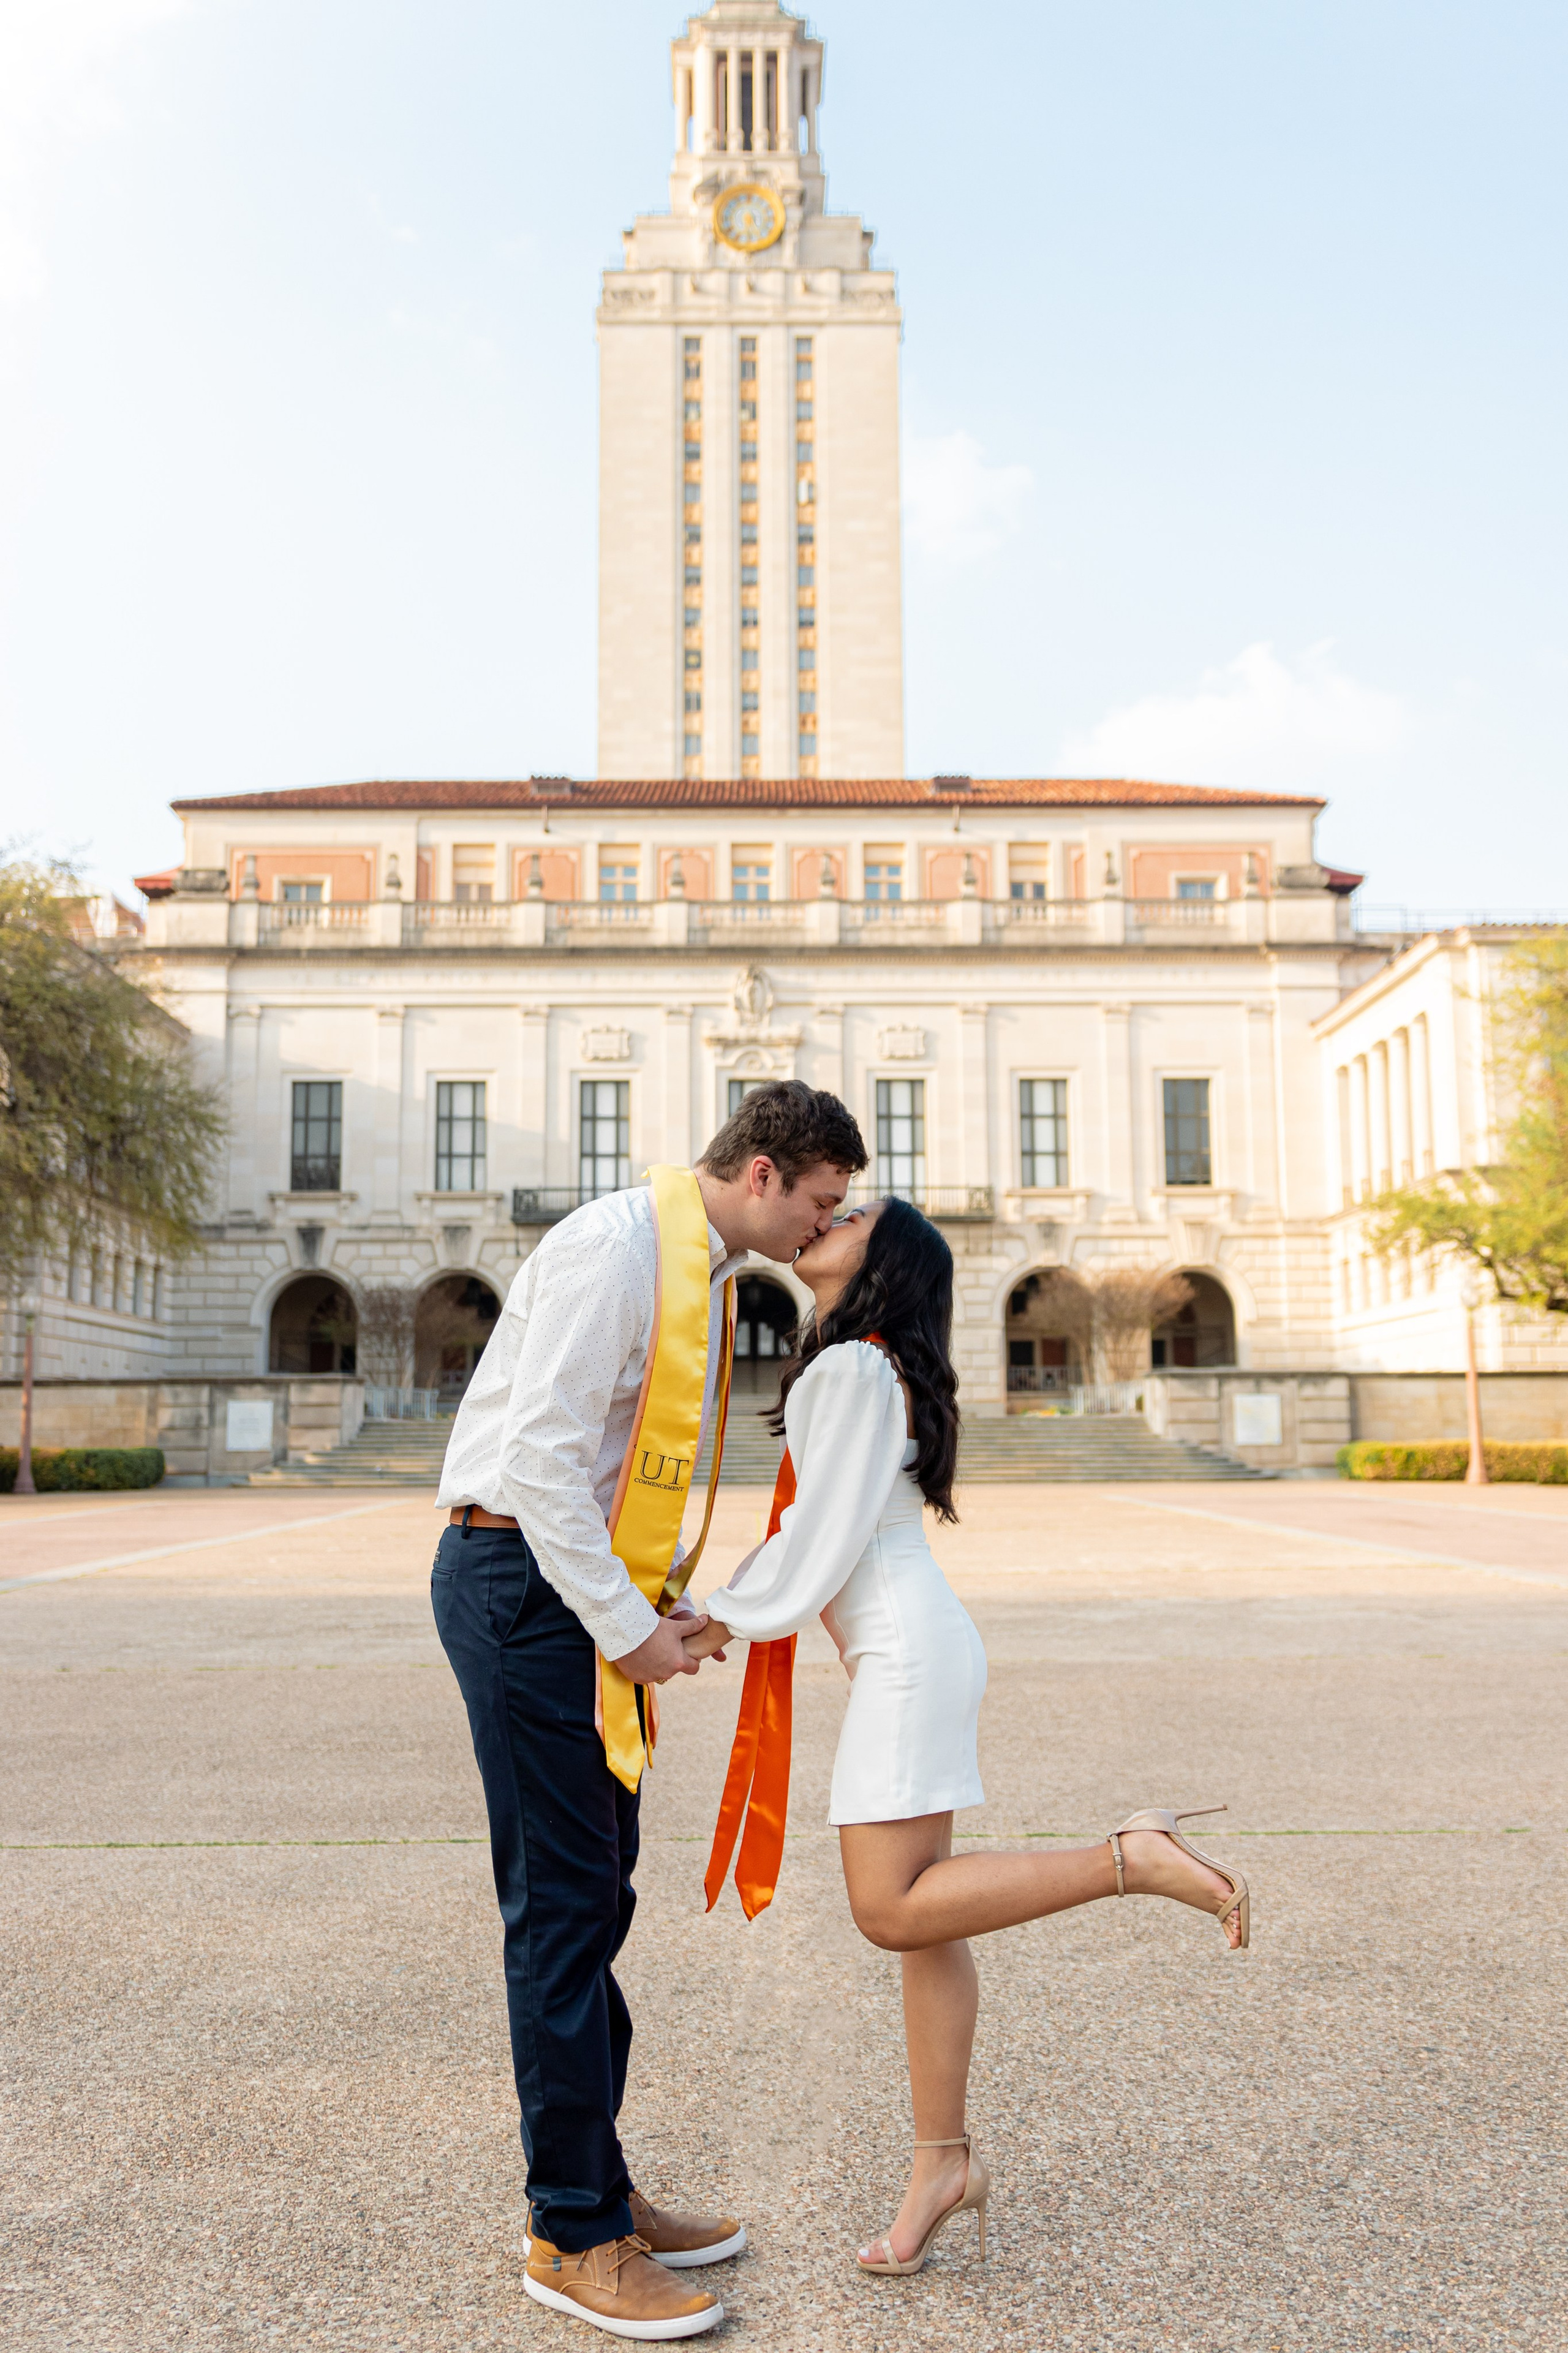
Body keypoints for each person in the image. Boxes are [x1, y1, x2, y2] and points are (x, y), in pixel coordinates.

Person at [684, 1197, 1250, 2276]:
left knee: (889, 1906)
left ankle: (1130, 1857)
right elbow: (821, 1532)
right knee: (926, 1912)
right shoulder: (868, 1364)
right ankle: (941, 2163)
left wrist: (715, 1615)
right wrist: (726, 1608)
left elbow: (818, 1535)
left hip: (907, 1652)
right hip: (915, 1645)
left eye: (849, 1213)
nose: (822, 1216)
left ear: (885, 1257)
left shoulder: (854, 1370)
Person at [432, 1082, 869, 2341]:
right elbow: (537, 1464)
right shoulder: (618, 1252)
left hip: (569, 1585)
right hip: (521, 1585)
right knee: (563, 1911)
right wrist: (628, 1631)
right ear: (765, 1172)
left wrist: (655, 1608)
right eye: (819, 1203)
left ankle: (600, 2190)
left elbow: (620, 1472)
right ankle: (569, 2232)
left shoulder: (699, 1266)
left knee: (599, 1889)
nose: (820, 1228)